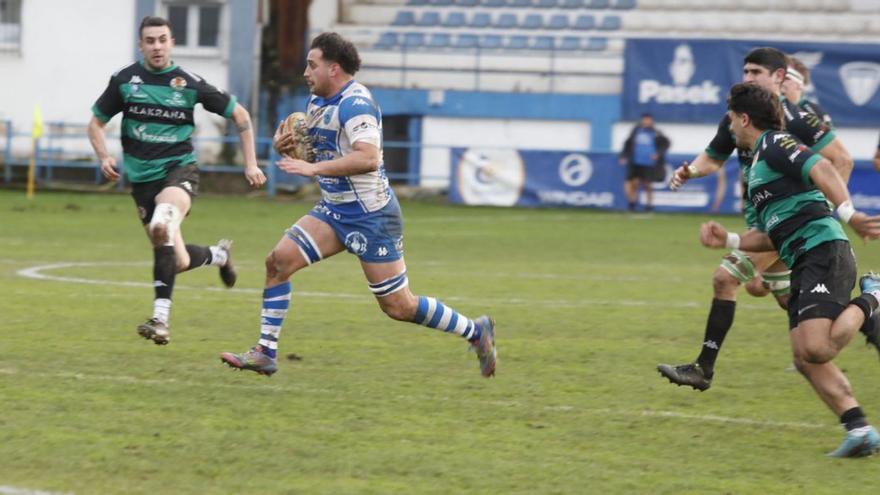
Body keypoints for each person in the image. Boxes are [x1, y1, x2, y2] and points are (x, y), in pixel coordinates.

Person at [219, 32, 496, 377]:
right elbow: (319, 155)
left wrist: (313, 167)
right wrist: (286, 148)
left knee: (398, 306)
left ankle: (476, 331)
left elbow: (368, 158)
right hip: (335, 210)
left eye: (312, 64)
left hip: (371, 215)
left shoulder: (356, 104)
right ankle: (265, 352)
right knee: (278, 263)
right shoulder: (317, 101)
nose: (305, 72)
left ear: (333, 69)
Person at [699, 83, 880, 457]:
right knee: (803, 358)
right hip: (802, 258)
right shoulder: (758, 166)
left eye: (731, 117)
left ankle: (873, 296)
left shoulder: (775, 144)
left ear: (744, 118)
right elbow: (772, 235)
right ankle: (860, 430)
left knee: (816, 347)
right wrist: (729, 240)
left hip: (823, 249)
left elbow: (824, 166)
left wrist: (849, 213)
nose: (729, 125)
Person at [658, 47, 854, 391]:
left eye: (755, 72)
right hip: (764, 221)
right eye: (745, 72)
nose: (747, 77)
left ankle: (704, 367)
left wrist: (814, 211)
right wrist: (691, 170)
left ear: (779, 77)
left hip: (788, 224)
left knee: (725, 278)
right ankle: (869, 325)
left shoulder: (797, 119)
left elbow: (841, 160)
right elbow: (714, 156)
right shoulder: (739, 116)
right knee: (789, 300)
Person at [87, 16, 266, 344]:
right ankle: (219, 255)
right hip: (143, 182)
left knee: (161, 227)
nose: (157, 46)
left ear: (172, 43)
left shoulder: (189, 83)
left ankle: (160, 320)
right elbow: (95, 123)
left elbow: (240, 115)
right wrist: (103, 156)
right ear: (141, 45)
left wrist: (250, 164)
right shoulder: (125, 81)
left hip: (179, 171)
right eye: (150, 40)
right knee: (178, 260)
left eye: (162, 39)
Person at [618, 113, 670, 212]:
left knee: (647, 185)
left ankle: (649, 204)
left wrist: (658, 154)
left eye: (648, 120)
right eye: (645, 120)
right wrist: (623, 156)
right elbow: (627, 144)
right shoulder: (635, 131)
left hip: (648, 163)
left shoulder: (656, 132)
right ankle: (632, 203)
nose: (646, 122)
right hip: (635, 162)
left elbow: (666, 143)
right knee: (631, 183)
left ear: (651, 121)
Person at [782, 56, 834, 128]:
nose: (778, 80)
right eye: (776, 75)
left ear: (800, 85)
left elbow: (830, 139)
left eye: (785, 78)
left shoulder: (813, 113)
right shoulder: (766, 106)